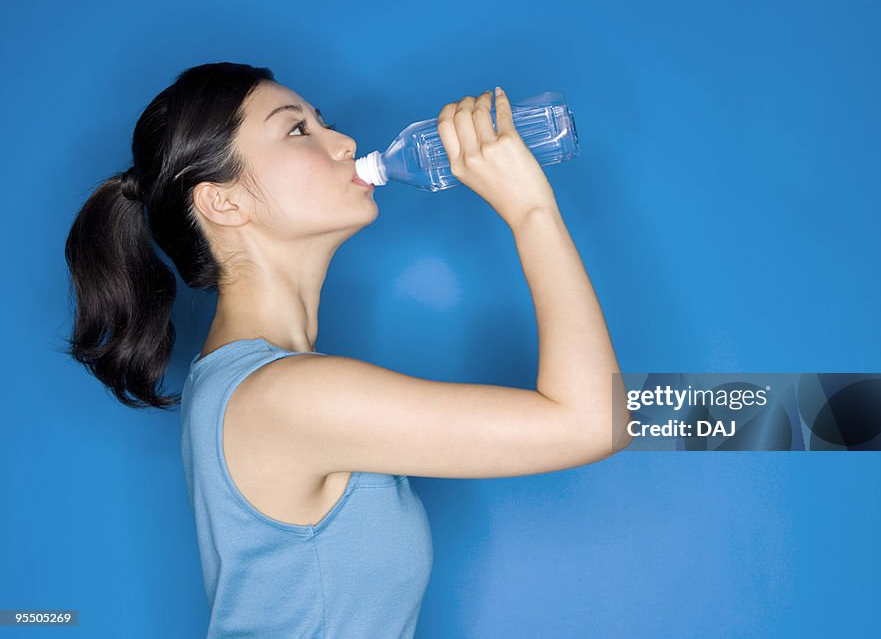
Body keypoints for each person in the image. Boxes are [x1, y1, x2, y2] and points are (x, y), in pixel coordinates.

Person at [63, 61, 632, 638]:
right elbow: (595, 421)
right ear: (224, 203)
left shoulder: (251, 385)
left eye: (322, 121)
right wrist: (531, 210)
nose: (345, 142)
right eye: (297, 130)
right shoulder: (284, 397)